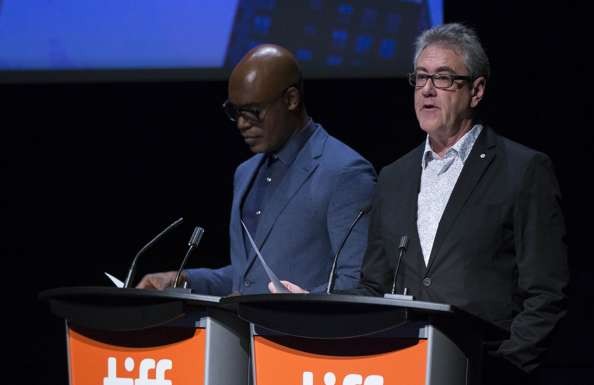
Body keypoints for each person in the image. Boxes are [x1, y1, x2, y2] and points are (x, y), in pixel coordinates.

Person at [279, 23, 569, 382]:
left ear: (476, 90)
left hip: (487, 369)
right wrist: (318, 304)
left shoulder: (522, 170)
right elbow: (374, 286)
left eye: (444, 78)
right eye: (420, 78)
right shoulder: (394, 177)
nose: (428, 91)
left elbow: (546, 293)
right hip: (405, 367)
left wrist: (505, 367)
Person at [137, 44, 376, 295]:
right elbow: (249, 277)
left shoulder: (344, 173)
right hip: (244, 333)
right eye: (235, 111)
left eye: (253, 111)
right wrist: (184, 279)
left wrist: (304, 305)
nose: (241, 123)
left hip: (302, 333)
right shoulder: (245, 173)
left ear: (291, 99)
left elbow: (356, 281)